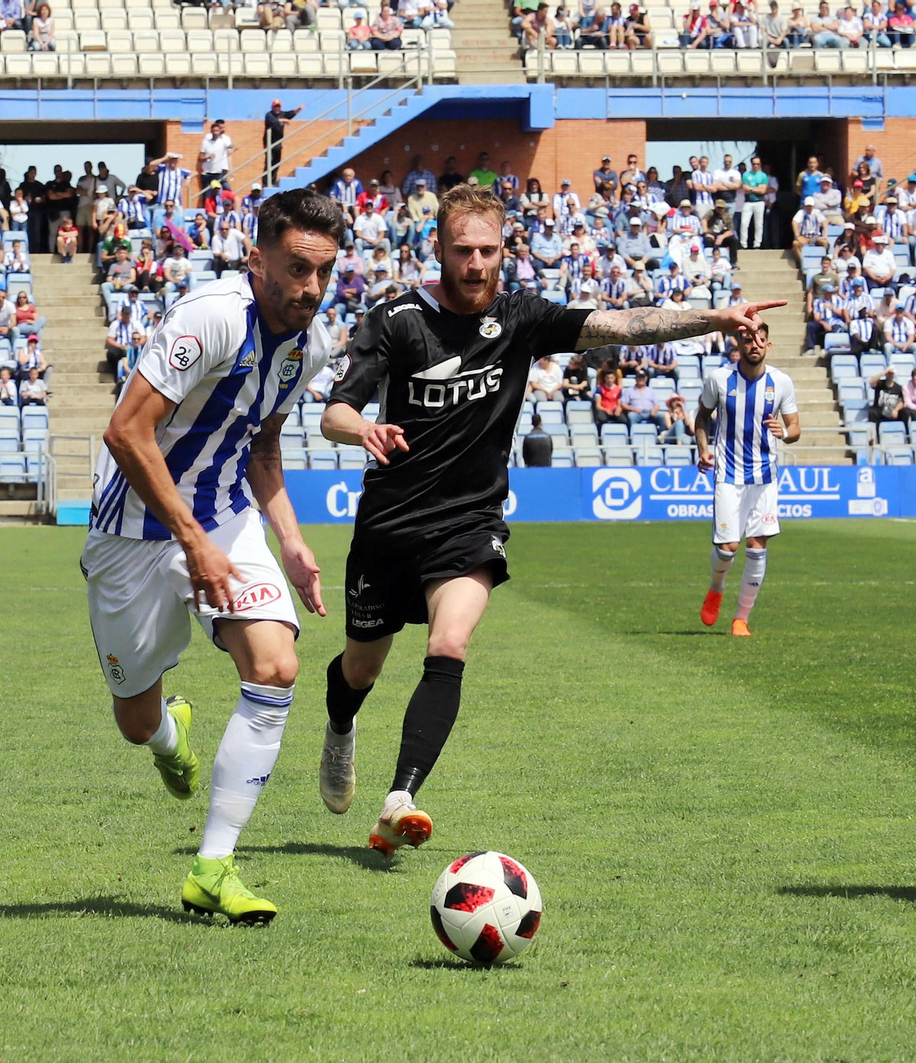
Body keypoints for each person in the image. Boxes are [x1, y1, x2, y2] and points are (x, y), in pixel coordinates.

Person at [318, 183, 781, 857]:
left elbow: (623, 326)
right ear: (439, 248)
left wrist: (716, 317)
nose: (476, 263)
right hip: (389, 522)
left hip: (469, 521)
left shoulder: (522, 317)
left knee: (449, 644)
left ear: (504, 249)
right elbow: (335, 409)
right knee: (360, 669)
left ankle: (400, 798)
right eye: (462, 250)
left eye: (488, 250)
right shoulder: (395, 319)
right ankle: (339, 727)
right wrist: (362, 428)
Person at [82, 188, 342, 925]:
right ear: (258, 259)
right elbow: (126, 432)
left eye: (324, 272)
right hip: (133, 533)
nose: (311, 289)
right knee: (135, 720)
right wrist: (189, 541)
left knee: (275, 666)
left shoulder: (310, 344)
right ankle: (172, 733)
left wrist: (289, 538)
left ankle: (213, 867)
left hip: (226, 518)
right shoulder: (212, 317)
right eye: (296, 268)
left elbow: (261, 445)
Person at [694, 321, 799, 638]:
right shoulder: (719, 379)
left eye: (760, 340)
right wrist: (703, 448)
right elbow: (701, 416)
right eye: (748, 340)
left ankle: (741, 618)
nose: (754, 345)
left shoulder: (781, 383)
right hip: (728, 475)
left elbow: (795, 428)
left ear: (768, 345)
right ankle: (716, 587)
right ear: (738, 345)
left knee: (757, 546)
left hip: (765, 476)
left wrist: (787, 432)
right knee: (728, 548)